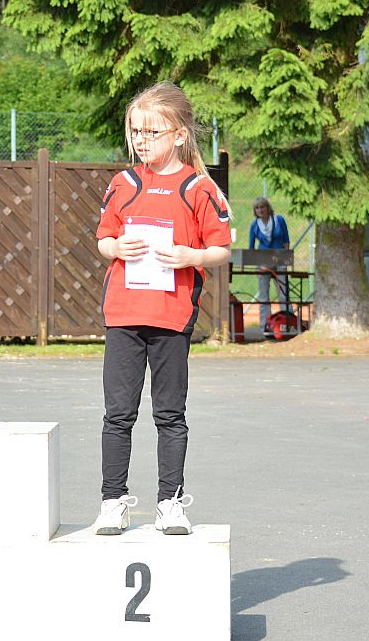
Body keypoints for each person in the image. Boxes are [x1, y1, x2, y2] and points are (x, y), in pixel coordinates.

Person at [93, 82, 231, 537]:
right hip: (124, 315)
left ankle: (170, 504)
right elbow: (103, 239)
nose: (141, 140)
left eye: (152, 132)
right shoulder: (123, 183)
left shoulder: (199, 188)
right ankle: (112, 503)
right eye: (136, 131)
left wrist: (192, 256)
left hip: (172, 318)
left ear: (179, 135)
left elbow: (221, 249)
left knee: (170, 414)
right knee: (118, 414)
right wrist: (117, 247)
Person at [247, 196, 290, 335]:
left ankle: (287, 323)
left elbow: (286, 240)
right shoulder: (254, 225)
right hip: (263, 261)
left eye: (262, 207)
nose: (260, 210)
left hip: (280, 260)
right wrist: (256, 263)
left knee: (283, 293)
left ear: (268, 208)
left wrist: (285, 258)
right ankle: (265, 326)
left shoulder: (279, 220)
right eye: (257, 208)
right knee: (264, 295)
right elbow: (251, 247)